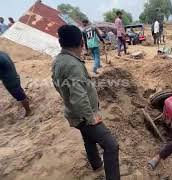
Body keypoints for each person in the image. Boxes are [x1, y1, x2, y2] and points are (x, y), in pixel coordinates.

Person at [52, 25, 120, 180]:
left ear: (60, 42)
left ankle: (96, 164)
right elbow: (79, 97)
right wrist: (91, 117)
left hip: (74, 113)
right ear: (81, 42)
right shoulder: (72, 65)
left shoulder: (59, 60)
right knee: (111, 146)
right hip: (83, 115)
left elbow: (56, 83)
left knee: (88, 139)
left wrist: (66, 98)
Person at [0, 51, 32, 117]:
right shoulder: (2, 53)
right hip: (14, 76)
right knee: (20, 91)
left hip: (10, 81)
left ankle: (28, 111)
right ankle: (26, 99)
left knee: (20, 97)